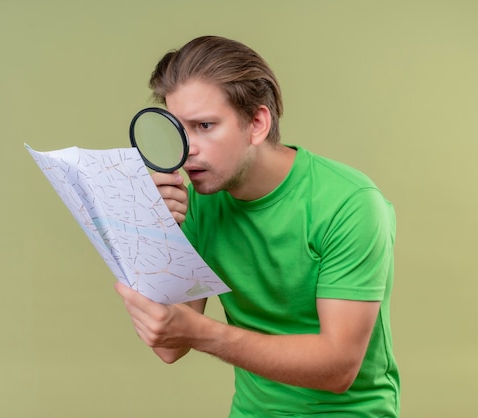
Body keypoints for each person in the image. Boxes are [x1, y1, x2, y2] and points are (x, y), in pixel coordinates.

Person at [116, 35, 400, 417]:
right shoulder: (199, 202)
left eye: (204, 125)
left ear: (257, 123)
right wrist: (153, 231)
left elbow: (338, 368)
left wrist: (205, 335)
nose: (187, 149)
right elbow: (168, 346)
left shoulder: (349, 204)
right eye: (179, 131)